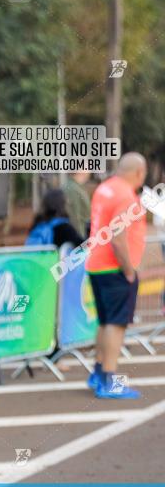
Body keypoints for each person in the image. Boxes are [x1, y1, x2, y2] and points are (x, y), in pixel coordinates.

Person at [86, 152, 147, 399]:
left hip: (96, 264)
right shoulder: (126, 196)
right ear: (139, 173)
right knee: (117, 324)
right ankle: (111, 380)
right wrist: (129, 270)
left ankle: (99, 373)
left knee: (105, 321)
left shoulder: (105, 188)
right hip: (115, 267)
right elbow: (118, 237)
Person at [63, 171, 91, 237]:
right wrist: (80, 240)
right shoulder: (72, 189)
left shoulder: (76, 187)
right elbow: (75, 217)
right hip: (78, 236)